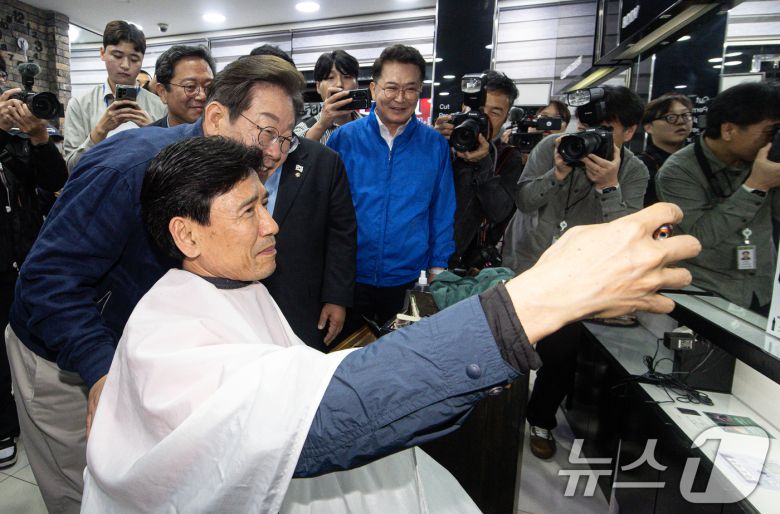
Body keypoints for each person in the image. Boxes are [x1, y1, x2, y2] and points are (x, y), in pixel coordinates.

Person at [81, 134, 700, 513]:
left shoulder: (229, 287)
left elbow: (292, 387)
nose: (272, 225)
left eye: (266, 203)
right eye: (249, 211)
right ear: (187, 234)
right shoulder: (170, 333)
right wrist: (544, 297)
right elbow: (325, 420)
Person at [5, 55, 304, 513]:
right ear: (216, 117)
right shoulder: (129, 169)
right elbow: (49, 280)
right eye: (265, 131)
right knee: (84, 490)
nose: (275, 153)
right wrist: (100, 370)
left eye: (286, 138)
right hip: (65, 359)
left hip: (140, 358)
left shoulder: (236, 184)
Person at [502, 85, 649, 460]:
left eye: (606, 130)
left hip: (577, 275)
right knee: (506, 344)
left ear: (630, 131)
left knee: (561, 353)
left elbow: (626, 235)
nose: (590, 137)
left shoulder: (634, 171)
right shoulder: (553, 147)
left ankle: (540, 419)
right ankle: (499, 415)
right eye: (586, 127)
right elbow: (523, 201)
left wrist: (608, 187)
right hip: (527, 260)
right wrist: (557, 172)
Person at [327, 44, 455, 333]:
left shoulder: (435, 146)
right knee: (344, 352)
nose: (400, 98)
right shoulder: (343, 140)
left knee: (401, 357)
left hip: (407, 280)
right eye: (391, 88)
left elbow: (442, 211)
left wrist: (438, 269)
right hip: (348, 279)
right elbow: (326, 211)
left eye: (410, 89)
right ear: (374, 89)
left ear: (420, 92)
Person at [246, 49, 357, 351]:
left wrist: (337, 297)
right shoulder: (221, 157)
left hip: (301, 301)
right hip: (236, 301)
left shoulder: (324, 161)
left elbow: (341, 234)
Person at [656, 81, 780, 312]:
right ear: (728, 130)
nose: (773, 140)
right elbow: (698, 237)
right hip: (706, 293)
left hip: (761, 288)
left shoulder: (766, 160)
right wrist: (756, 186)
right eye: (770, 132)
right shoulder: (679, 170)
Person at [0, 60, 68, 471]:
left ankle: (23, 414)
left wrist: (40, 138)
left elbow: (56, 181)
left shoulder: (18, 141)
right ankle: (4, 426)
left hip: (24, 260)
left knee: (24, 343)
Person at [434, 70, 524, 269]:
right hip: (415, 253)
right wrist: (430, 143)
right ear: (464, 108)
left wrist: (483, 164)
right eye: (478, 109)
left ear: (506, 118)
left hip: (459, 263)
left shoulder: (507, 157)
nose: (483, 118)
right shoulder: (442, 141)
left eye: (495, 112)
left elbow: (498, 213)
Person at [62, 20, 166, 170]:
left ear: (142, 60)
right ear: (102, 53)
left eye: (134, 59)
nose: (125, 65)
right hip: (98, 183)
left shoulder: (160, 106)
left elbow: (171, 167)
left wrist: (153, 132)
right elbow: (71, 168)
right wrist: (100, 131)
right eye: (117, 56)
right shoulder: (80, 104)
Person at [294, 50, 364, 144]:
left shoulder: (373, 124)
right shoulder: (302, 129)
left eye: (347, 76)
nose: (339, 84)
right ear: (318, 86)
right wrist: (322, 124)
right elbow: (296, 150)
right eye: (330, 77)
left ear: (357, 84)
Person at [639, 93, 694, 205]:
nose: (681, 121)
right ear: (648, 127)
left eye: (685, 115)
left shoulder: (698, 160)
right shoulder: (641, 167)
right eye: (671, 117)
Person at [150, 45, 216, 128]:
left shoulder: (225, 133)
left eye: (209, 87)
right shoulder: (145, 135)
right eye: (190, 87)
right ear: (163, 92)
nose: (202, 96)